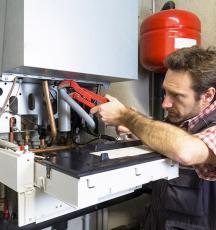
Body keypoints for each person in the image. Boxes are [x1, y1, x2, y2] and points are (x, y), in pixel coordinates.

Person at [91, 46, 216, 229]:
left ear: (207, 96)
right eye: (165, 91)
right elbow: (167, 136)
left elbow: (185, 150)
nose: (165, 103)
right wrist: (135, 128)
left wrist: (126, 116)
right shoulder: (182, 117)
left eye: (177, 96)